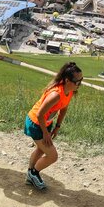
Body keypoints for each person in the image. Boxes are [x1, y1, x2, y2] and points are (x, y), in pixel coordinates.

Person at [24, 62, 82, 190]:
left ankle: (30, 175)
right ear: (67, 80)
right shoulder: (56, 94)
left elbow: (64, 108)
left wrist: (57, 126)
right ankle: (34, 173)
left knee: (41, 149)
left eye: (81, 80)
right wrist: (45, 133)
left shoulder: (69, 91)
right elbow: (40, 114)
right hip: (36, 123)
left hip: (46, 123)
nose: (79, 84)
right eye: (77, 81)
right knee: (52, 156)